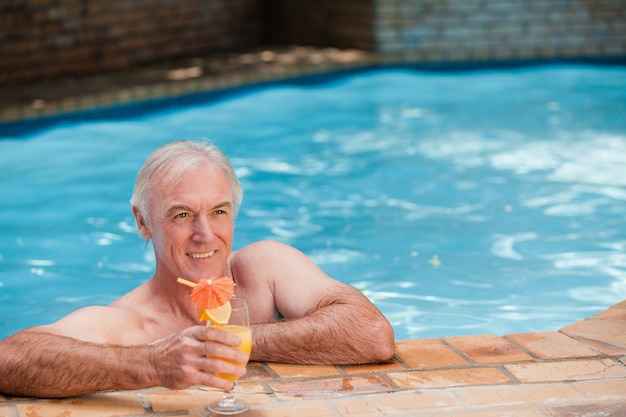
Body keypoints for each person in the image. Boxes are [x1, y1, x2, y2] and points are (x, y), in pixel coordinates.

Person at [0, 139, 395, 398]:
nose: (205, 235)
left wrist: (231, 344)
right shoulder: (128, 323)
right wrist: (151, 363)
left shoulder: (263, 268)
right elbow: (10, 360)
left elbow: (373, 335)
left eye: (219, 212)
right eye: (183, 214)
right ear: (142, 222)